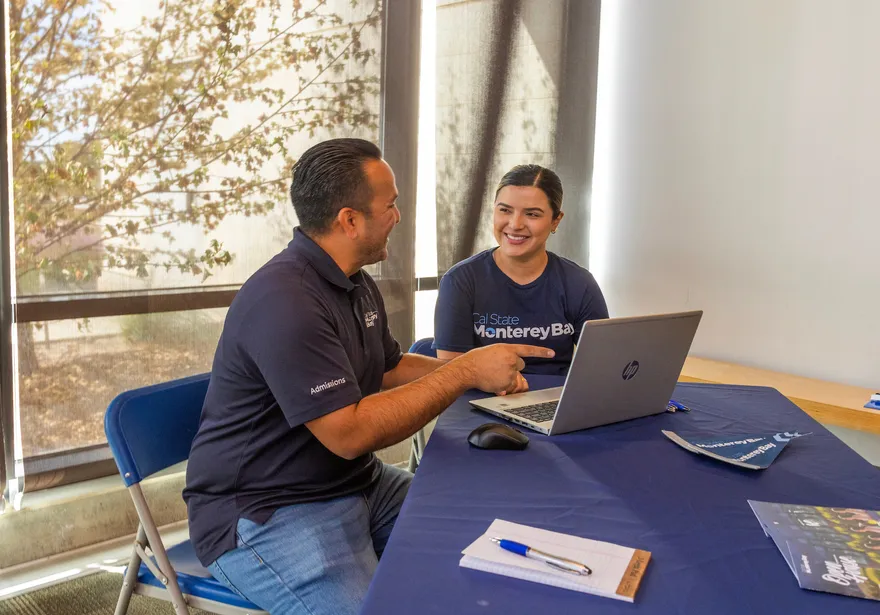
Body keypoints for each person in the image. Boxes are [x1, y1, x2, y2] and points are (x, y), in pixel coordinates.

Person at [183, 139, 552, 615]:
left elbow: (388, 368)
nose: (398, 215)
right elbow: (349, 433)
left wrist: (475, 370)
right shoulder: (286, 301)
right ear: (349, 220)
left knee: (495, 543)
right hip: (268, 513)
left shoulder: (354, 281)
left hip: (359, 485)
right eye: (391, 204)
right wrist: (461, 372)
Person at [433, 164, 608, 376]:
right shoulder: (460, 281)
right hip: (477, 403)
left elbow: (603, 369)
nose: (515, 224)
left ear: (556, 220)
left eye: (532, 214)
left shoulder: (579, 284)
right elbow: (450, 377)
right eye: (504, 210)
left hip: (556, 403)